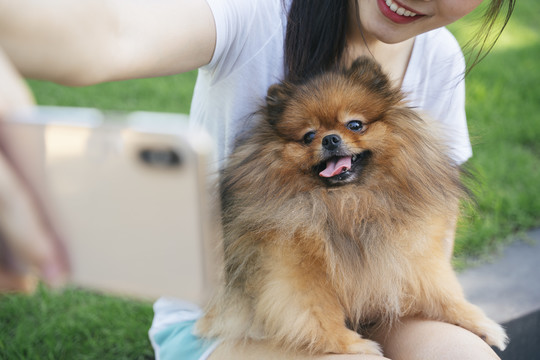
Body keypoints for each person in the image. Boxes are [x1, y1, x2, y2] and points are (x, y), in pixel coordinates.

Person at [0, 0, 515, 359]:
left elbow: (431, 242)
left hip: (383, 302)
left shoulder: (439, 55)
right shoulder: (258, 13)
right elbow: (110, 30)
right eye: (314, 134)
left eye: (353, 126)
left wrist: (444, 308)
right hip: (230, 319)